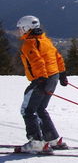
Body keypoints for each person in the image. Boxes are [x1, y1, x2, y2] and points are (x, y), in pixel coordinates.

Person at [17, 15, 69, 153]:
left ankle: (36, 143)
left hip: (42, 79)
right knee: (40, 109)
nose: (19, 31)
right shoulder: (45, 40)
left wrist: (40, 79)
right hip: (53, 77)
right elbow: (57, 56)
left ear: (26, 28)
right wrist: (62, 74)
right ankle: (52, 139)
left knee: (28, 110)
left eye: (20, 28)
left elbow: (37, 62)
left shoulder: (29, 43)